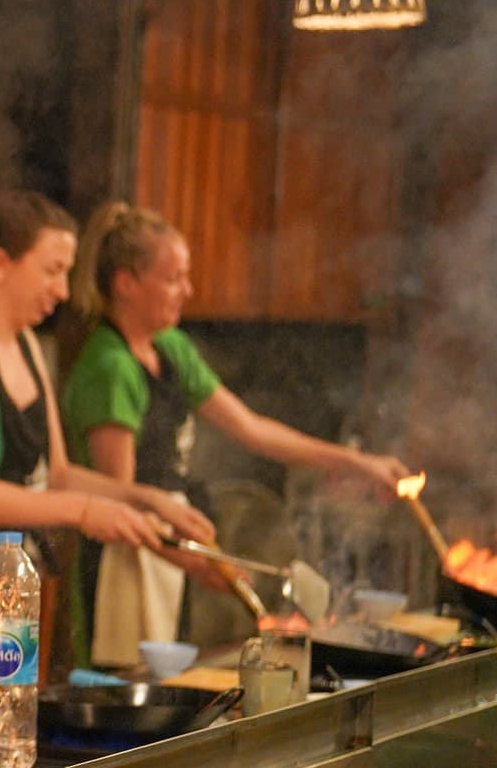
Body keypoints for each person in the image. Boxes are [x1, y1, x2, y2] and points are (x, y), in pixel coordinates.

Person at [0, 192, 214, 712]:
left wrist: (149, 502)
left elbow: (59, 473)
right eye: (52, 271)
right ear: (1, 264)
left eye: (68, 273)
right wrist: (85, 512)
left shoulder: (25, 343)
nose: (63, 291)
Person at [61, 202, 412, 667]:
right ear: (126, 283)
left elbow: (252, 429)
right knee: (127, 693)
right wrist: (192, 559)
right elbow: (121, 498)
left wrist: (360, 464)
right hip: (124, 558)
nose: (187, 290)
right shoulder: (109, 365)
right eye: (172, 278)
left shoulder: (170, 347)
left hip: (170, 540)